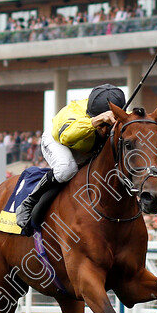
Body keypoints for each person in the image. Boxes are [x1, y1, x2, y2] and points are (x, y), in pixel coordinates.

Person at [14, 84, 126, 234]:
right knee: (66, 169)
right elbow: (67, 136)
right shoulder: (73, 112)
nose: (105, 130)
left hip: (87, 146)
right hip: (60, 140)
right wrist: (96, 121)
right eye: (103, 125)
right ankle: (29, 202)